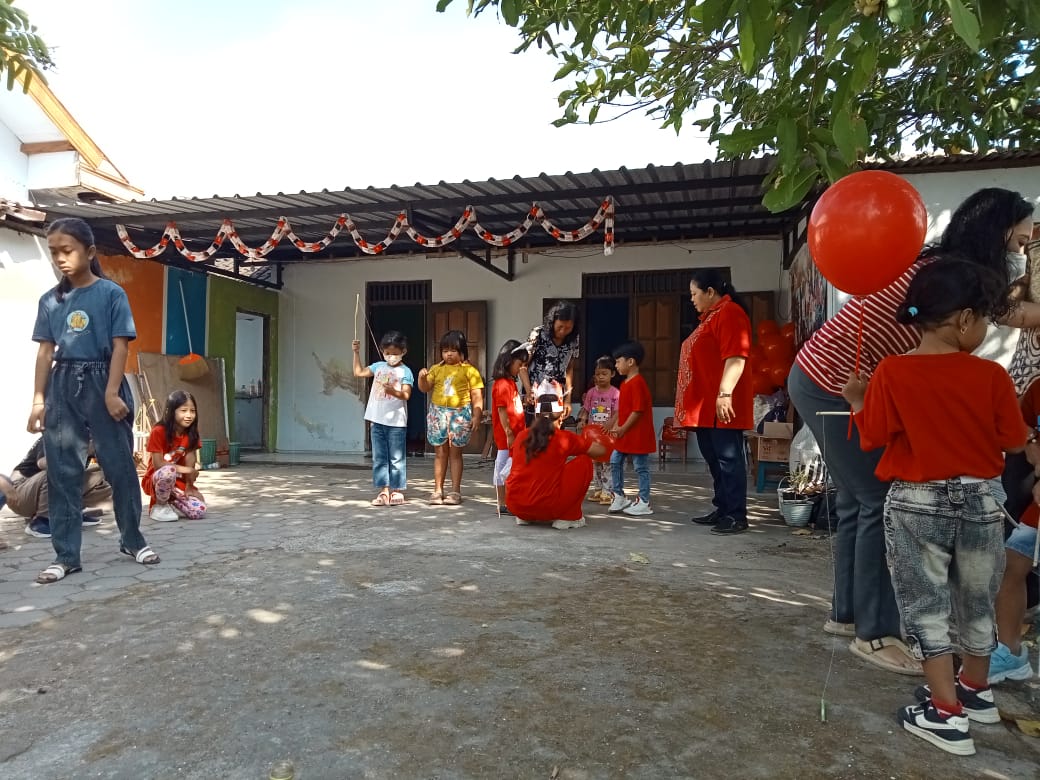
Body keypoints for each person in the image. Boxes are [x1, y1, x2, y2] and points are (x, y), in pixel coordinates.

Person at [789, 188, 1035, 676]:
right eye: (1023, 238)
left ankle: (848, 614)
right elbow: (1016, 315)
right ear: (1001, 231)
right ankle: (875, 633)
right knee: (878, 500)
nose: (1024, 248)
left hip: (827, 378)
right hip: (834, 384)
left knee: (855, 500)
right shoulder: (954, 278)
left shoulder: (943, 267)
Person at [842, 257, 1029, 756]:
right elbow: (1014, 441)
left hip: (916, 502)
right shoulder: (991, 376)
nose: (985, 329)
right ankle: (975, 692)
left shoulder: (892, 371)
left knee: (926, 608)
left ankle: (946, 715)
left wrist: (858, 400)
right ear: (964, 319)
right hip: (982, 500)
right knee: (977, 601)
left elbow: (872, 437)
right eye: (985, 319)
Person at [26, 217, 158, 584]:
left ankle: (132, 539)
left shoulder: (111, 294)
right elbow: (45, 353)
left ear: (90, 251)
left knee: (120, 467)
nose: (60, 258)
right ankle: (66, 555)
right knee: (62, 473)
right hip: (63, 386)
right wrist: (38, 401)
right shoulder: (50, 301)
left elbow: (120, 347)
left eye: (67, 250)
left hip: (104, 380)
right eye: (54, 252)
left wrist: (112, 392)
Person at [674, 269, 753, 535]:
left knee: (729, 459)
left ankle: (736, 515)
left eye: (694, 293)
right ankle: (723, 507)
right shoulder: (710, 317)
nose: (692, 299)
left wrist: (725, 394)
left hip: (721, 404)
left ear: (710, 292)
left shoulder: (730, 313)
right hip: (705, 407)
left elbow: (736, 356)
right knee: (715, 460)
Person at [505, 379, 609, 528]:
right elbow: (600, 451)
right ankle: (570, 517)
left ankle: (524, 516)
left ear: (536, 415)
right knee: (584, 460)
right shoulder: (564, 438)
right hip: (548, 508)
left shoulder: (521, 436)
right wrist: (588, 437)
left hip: (515, 505)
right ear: (561, 417)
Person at [417, 329, 484, 505]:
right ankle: (438, 490)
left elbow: (477, 395)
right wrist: (422, 378)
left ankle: (455, 491)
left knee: (455, 453)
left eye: (453, 350)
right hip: (437, 413)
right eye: (445, 350)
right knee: (440, 453)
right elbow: (425, 388)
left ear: (462, 352)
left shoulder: (470, 371)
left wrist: (477, 415)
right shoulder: (436, 369)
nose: (448, 354)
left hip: (460, 414)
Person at [0, 437, 111, 538]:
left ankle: (71, 513)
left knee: (97, 473)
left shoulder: (92, 437)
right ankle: (42, 520)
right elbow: (43, 463)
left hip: (39, 490)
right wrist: (84, 450)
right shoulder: (53, 434)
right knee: (57, 471)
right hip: (19, 492)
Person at [352, 331, 414, 506]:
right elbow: (358, 372)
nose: (390, 357)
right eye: (387, 353)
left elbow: (406, 395)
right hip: (376, 420)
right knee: (379, 457)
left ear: (403, 352)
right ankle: (384, 491)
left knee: (396, 458)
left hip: (396, 423)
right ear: (382, 351)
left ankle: (397, 491)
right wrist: (356, 352)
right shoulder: (378, 366)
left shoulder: (405, 371)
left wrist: (392, 391)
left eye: (394, 353)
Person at [607, 341, 656, 516]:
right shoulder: (625, 383)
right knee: (615, 461)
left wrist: (622, 428)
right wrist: (616, 426)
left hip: (637, 433)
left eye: (618, 361)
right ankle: (619, 495)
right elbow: (624, 410)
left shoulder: (638, 383)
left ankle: (644, 501)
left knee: (640, 466)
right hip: (625, 433)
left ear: (630, 362)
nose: (616, 365)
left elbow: (637, 411)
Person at [141, 390, 206, 521]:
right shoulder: (158, 431)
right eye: (184, 411)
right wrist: (188, 470)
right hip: (156, 479)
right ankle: (159, 506)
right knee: (168, 471)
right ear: (171, 411)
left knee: (198, 511)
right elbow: (158, 464)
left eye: (192, 411)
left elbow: (190, 460)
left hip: (177, 482)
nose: (189, 415)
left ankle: (171, 502)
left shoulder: (191, 433)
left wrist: (189, 486)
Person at [519, 300, 580, 418]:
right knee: (534, 427)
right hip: (535, 394)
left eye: (568, 328)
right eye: (560, 326)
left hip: (558, 395)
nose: (563, 331)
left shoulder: (574, 339)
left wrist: (568, 399)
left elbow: (569, 368)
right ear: (552, 322)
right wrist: (528, 391)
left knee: (555, 427)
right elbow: (522, 366)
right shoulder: (538, 334)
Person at [489, 339, 529, 514]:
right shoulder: (502, 385)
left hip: (515, 435)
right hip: (507, 438)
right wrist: (509, 433)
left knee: (509, 468)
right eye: (519, 364)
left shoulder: (510, 383)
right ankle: (502, 502)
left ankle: (508, 501)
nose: (521, 368)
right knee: (502, 467)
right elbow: (502, 411)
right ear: (508, 361)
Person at [576, 355, 620, 505]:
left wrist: (611, 425)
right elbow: (586, 410)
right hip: (593, 435)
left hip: (608, 435)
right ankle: (598, 490)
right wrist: (582, 421)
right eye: (598, 374)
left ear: (612, 374)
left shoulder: (615, 393)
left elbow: (617, 412)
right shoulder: (591, 393)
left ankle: (608, 492)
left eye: (604, 373)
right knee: (595, 464)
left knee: (607, 463)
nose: (600, 377)